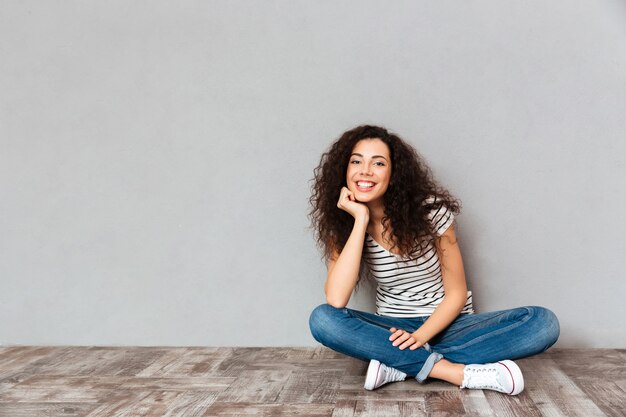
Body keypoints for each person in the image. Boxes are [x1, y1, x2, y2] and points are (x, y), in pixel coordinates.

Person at [307, 124, 560, 395]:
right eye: (356, 161)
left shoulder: (431, 211)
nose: (365, 171)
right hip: (392, 329)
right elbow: (336, 299)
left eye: (378, 163)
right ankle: (451, 371)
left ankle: (399, 364)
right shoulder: (343, 225)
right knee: (322, 319)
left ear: (393, 173)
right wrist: (360, 220)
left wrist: (419, 338)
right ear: (344, 169)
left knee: (543, 323)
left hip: (450, 324)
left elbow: (456, 293)